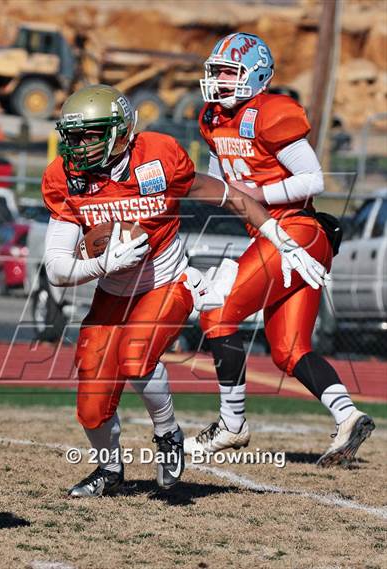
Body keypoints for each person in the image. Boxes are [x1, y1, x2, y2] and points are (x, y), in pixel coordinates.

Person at [42, 83, 328, 497]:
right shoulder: (64, 178)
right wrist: (103, 264)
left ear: (121, 132)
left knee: (137, 357)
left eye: (90, 134)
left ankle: (168, 433)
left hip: (166, 280)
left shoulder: (158, 157)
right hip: (112, 289)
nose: (78, 146)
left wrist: (282, 239)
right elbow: (56, 267)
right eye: (73, 135)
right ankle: (109, 469)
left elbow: (233, 198)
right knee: (90, 405)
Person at [184, 33, 375, 466]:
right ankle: (348, 417)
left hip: (295, 230)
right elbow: (222, 184)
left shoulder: (270, 113)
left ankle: (231, 425)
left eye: (229, 72)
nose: (218, 80)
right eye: (216, 71)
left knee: (217, 311)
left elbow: (313, 180)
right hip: (280, 235)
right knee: (288, 348)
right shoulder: (212, 118)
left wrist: (259, 192)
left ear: (256, 77)